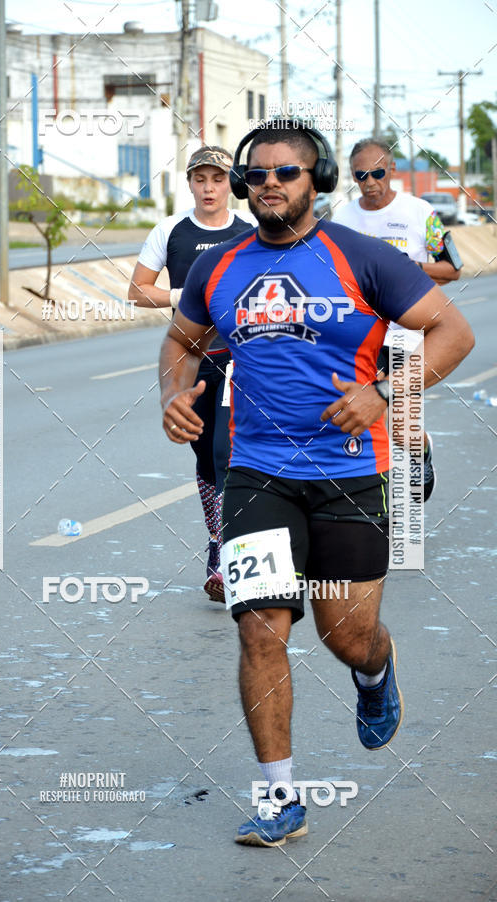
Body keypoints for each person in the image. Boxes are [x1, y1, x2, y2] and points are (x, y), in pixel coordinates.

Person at [159, 121, 474, 847]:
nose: (270, 183)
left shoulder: (362, 259)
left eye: (287, 173)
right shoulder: (218, 266)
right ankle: (280, 798)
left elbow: (453, 334)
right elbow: (182, 339)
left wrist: (386, 393)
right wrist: (175, 394)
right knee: (260, 627)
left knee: (346, 635)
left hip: (350, 475)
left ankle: (375, 670)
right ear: (243, 183)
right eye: (258, 173)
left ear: (317, 180)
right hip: (255, 472)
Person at [129, 146, 254, 602]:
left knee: (227, 454)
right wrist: (181, 296)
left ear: (231, 185)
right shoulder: (171, 230)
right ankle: (217, 541)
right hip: (193, 359)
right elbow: (137, 291)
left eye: (218, 180)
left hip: (243, 359)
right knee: (204, 458)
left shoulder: (251, 231)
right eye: (200, 179)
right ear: (189, 184)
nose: (209, 188)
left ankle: (225, 554)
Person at [333, 138, 462, 501]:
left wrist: (406, 269)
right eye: (361, 175)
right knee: (360, 418)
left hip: (406, 335)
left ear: (392, 170)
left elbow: (452, 268)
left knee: (403, 427)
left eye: (377, 173)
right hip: (362, 336)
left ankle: (420, 452)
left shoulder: (420, 211)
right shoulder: (343, 220)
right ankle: (373, 502)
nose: (370, 181)